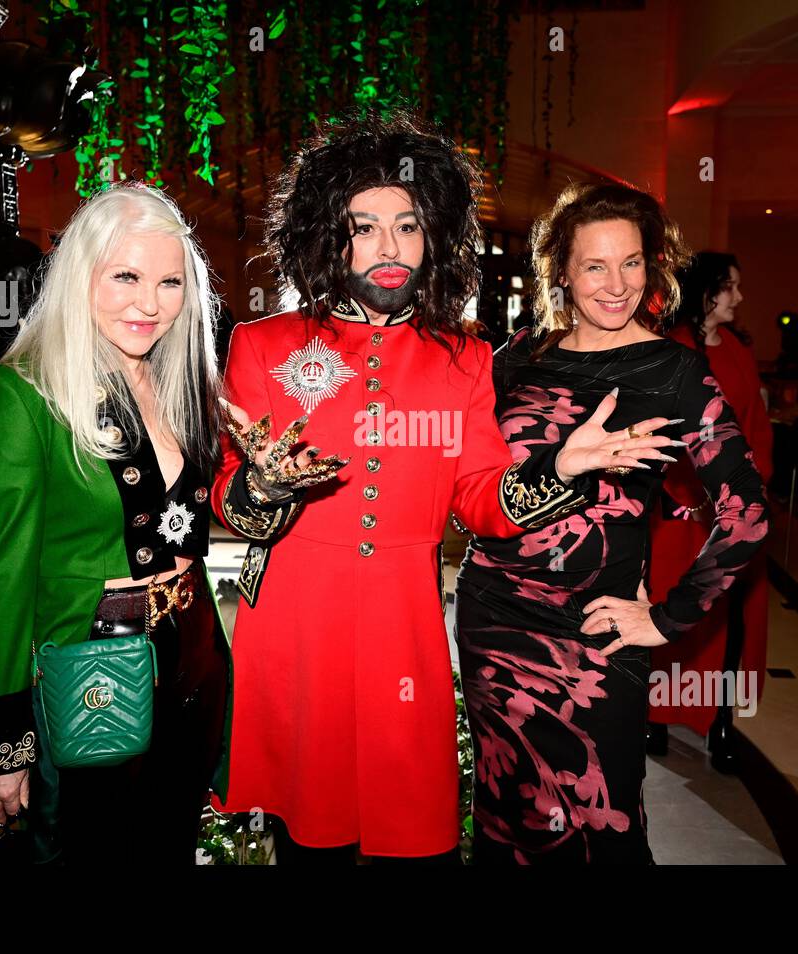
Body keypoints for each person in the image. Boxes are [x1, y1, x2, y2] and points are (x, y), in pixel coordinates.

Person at [209, 114, 654, 863]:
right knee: (309, 837)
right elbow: (230, 499)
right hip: (295, 626)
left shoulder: (464, 357)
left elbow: (481, 496)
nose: (390, 248)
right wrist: (259, 484)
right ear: (328, 236)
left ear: (434, 237)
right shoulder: (262, 344)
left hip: (402, 627)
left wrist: (560, 470)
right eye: (365, 227)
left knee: (413, 831)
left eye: (409, 226)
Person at [454, 183, 769, 863]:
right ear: (561, 273)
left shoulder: (676, 372)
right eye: (595, 265)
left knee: (604, 818)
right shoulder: (516, 360)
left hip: (598, 638)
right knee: (507, 818)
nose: (616, 284)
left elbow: (747, 514)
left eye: (631, 262)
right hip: (495, 622)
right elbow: (474, 491)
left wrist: (664, 618)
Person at [0, 181, 232, 865]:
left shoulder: (179, 382)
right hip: (90, 668)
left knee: (168, 846)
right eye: (126, 276)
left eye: (169, 282)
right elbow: (2, 578)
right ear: (82, 276)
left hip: (192, 654)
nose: (149, 303)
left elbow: (191, 517)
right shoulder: (20, 396)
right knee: (87, 851)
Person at [647, 252, 774, 770]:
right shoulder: (672, 349)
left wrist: (750, 494)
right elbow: (663, 437)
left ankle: (719, 718)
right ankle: (655, 715)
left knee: (730, 620)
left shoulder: (740, 352)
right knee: (673, 610)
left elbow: (756, 426)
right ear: (706, 293)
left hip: (734, 510)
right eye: (732, 288)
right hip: (682, 513)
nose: (740, 298)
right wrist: (695, 499)